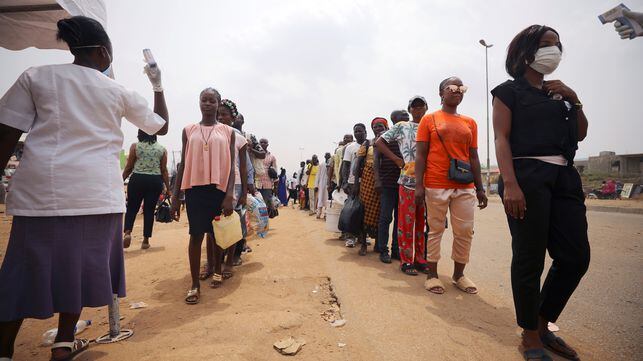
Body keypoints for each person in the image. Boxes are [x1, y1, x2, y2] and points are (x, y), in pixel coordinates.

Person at [0, 16, 169, 361]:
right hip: (96, 196)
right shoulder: (116, 90)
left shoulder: (36, 76)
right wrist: (157, 86)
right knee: (78, 269)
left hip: (42, 194)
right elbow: (160, 125)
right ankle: (63, 341)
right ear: (104, 53)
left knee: (22, 271)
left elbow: (7, 132)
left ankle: (3, 349)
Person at [492, 25, 589, 361]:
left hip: (564, 176)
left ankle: (542, 322)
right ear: (526, 51)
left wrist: (574, 99)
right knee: (530, 257)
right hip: (526, 175)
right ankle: (531, 336)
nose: (554, 50)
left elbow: (581, 133)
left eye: (557, 44)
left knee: (576, 257)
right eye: (546, 44)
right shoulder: (508, 91)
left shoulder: (560, 95)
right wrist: (511, 184)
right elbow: (501, 138)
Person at [415, 78, 487, 294]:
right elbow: (421, 155)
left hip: (464, 185)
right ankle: (432, 275)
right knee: (436, 229)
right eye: (452, 88)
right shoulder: (429, 120)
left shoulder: (470, 122)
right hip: (436, 183)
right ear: (441, 93)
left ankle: (459, 275)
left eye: (461, 89)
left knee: (465, 231)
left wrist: (480, 188)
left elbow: (473, 156)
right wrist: (419, 185)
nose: (457, 92)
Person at [170, 87, 236, 305]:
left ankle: (217, 268)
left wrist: (229, 195)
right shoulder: (188, 130)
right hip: (195, 190)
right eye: (203, 100)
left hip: (218, 190)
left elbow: (231, 167)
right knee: (196, 235)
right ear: (199, 102)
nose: (207, 104)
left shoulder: (228, 131)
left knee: (217, 233)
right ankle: (194, 284)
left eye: (212, 101)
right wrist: (175, 194)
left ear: (218, 104)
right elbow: (182, 165)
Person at [377, 97, 428, 275]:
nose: (418, 108)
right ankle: (406, 261)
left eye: (421, 105)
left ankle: (420, 259)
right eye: (415, 106)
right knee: (406, 222)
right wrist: (397, 159)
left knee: (422, 223)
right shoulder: (401, 127)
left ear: (426, 108)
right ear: (410, 109)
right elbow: (379, 142)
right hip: (408, 181)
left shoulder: (431, 124)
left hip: (430, 182)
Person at [122, 130, 170, 249]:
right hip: (155, 181)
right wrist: (168, 188)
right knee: (149, 210)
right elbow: (164, 170)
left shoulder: (135, 146)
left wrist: (120, 181)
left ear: (139, 134)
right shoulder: (162, 149)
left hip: (137, 179)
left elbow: (129, 167)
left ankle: (128, 233)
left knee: (132, 207)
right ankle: (145, 240)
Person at [372, 110, 406, 263]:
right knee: (385, 217)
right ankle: (383, 249)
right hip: (387, 183)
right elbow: (376, 162)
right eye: (403, 118)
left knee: (399, 219)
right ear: (394, 120)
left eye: (407, 117)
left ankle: (395, 250)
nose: (407, 120)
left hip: (404, 183)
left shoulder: (408, 136)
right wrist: (377, 181)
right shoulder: (384, 138)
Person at [353, 118, 389, 256]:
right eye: (375, 126)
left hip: (385, 180)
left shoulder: (391, 142)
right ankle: (363, 244)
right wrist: (356, 183)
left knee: (381, 213)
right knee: (365, 211)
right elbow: (357, 165)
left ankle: (379, 245)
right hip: (368, 181)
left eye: (381, 126)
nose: (378, 128)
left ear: (386, 127)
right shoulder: (367, 143)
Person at [258, 138, 278, 216]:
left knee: (265, 205)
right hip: (256, 184)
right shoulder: (254, 155)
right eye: (261, 142)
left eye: (265, 142)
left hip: (267, 185)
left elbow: (275, 172)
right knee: (257, 205)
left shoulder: (272, 157)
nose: (263, 144)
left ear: (267, 145)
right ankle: (258, 224)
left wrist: (275, 187)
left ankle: (265, 223)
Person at [314, 152, 332, 218]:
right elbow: (317, 175)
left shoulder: (331, 164)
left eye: (329, 156)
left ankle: (326, 214)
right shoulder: (321, 164)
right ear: (324, 157)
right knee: (320, 198)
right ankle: (319, 213)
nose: (327, 157)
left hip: (328, 185)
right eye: (326, 156)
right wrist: (316, 185)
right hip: (321, 184)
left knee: (327, 200)